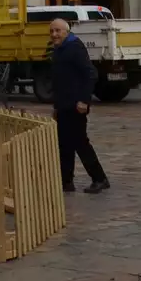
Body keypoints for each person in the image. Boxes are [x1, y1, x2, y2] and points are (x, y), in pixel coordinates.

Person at [49, 18, 111, 194]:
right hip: (63, 105)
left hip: (77, 105)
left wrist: (84, 100)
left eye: (58, 31)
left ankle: (99, 178)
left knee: (80, 142)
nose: (54, 34)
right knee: (63, 144)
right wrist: (56, 106)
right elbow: (59, 80)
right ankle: (66, 181)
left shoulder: (75, 48)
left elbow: (90, 74)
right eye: (52, 31)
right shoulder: (58, 49)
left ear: (66, 32)